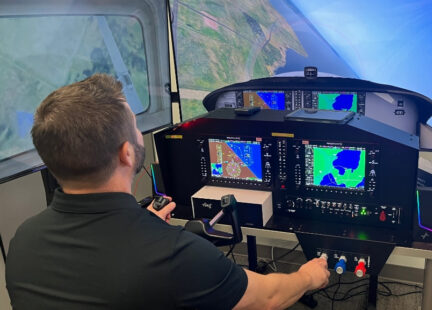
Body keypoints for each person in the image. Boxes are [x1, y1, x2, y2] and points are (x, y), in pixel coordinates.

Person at [5, 74, 329, 310]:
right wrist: (307, 277)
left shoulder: (24, 240)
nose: (139, 133)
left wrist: (141, 224)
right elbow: (269, 298)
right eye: (135, 126)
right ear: (126, 153)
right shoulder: (178, 256)